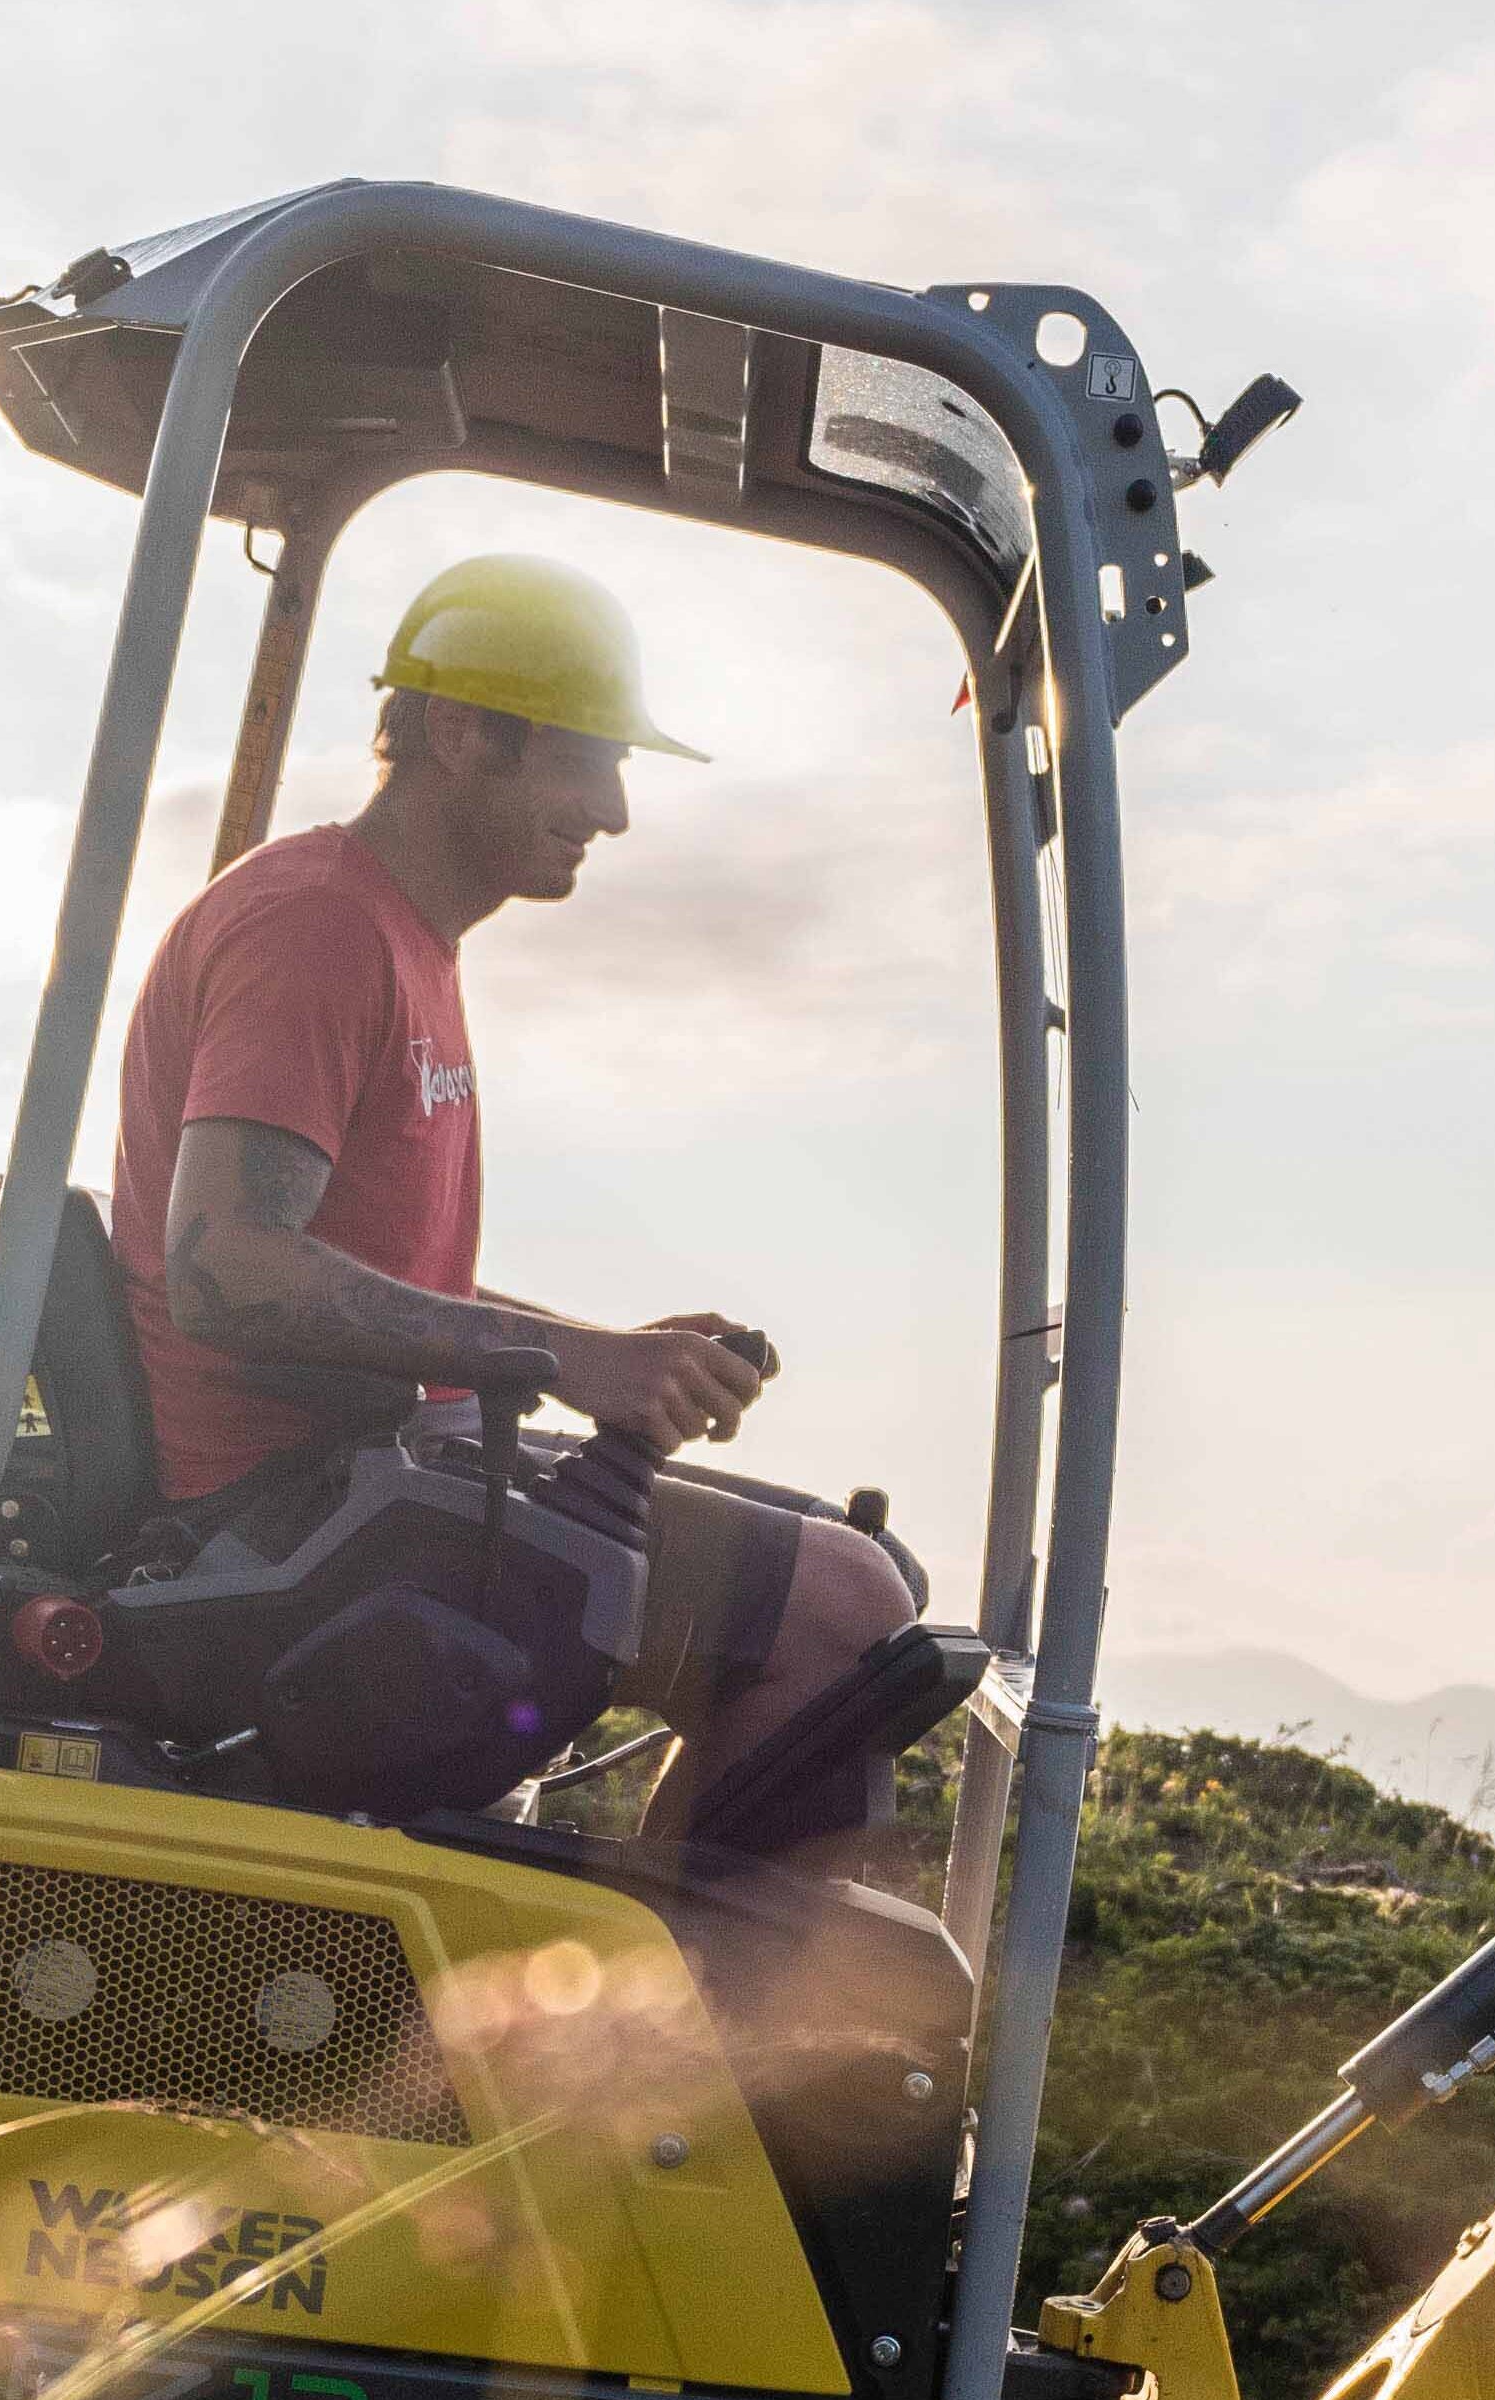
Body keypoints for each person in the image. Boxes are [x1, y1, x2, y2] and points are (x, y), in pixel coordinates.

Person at [104, 551, 925, 1864]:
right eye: (585, 761)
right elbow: (224, 1266)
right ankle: (683, 2034)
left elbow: (363, 1271)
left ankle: (649, 1998)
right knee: (841, 1608)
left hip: (373, 1473)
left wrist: (605, 1355)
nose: (613, 810)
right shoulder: (315, 925)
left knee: (846, 1568)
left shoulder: (405, 941)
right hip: (276, 1516)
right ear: (461, 731)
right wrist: (566, 1360)